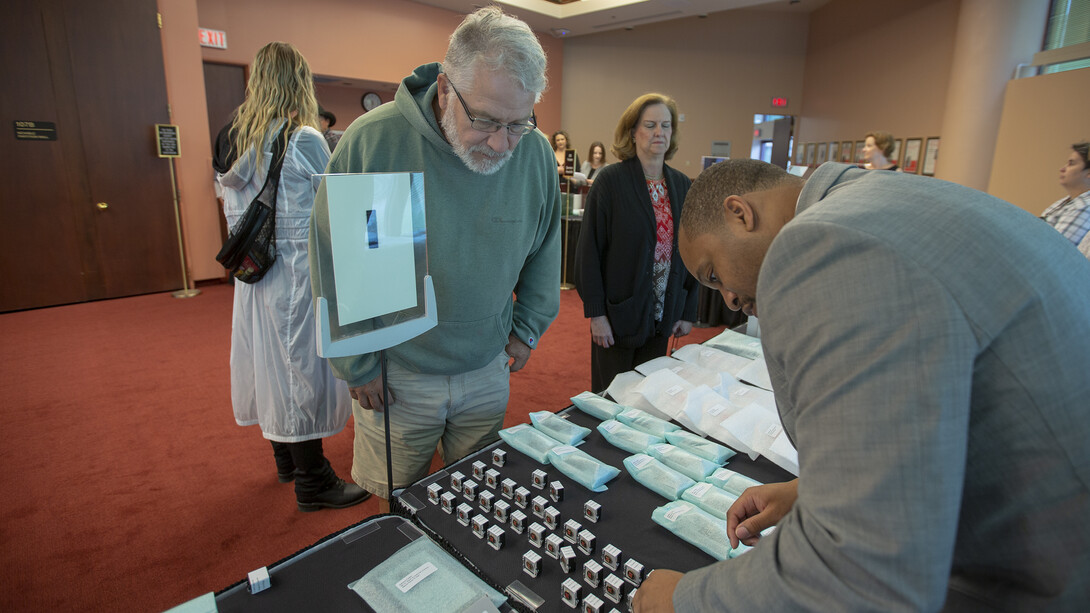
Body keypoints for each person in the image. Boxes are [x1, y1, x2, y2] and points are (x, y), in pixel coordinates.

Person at [632, 159, 1090, 611]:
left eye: (714, 274)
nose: (729, 297)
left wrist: (684, 601)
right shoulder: (879, 199)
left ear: (740, 212)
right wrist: (813, 492)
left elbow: (863, 572)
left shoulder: (821, 242)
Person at [308, 7, 560, 509]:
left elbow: (545, 248)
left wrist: (528, 326)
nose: (500, 143)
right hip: (395, 373)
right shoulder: (373, 142)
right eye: (486, 120)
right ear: (446, 89)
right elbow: (333, 260)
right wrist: (356, 364)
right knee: (401, 510)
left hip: (488, 364)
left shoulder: (532, 154)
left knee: (476, 501)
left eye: (518, 123)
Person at [216, 42, 367, 512]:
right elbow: (332, 206)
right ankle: (313, 480)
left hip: (252, 272)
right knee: (300, 369)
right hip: (295, 273)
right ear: (299, 81)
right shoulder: (301, 137)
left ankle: (284, 458)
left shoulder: (230, 137)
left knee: (267, 363)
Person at [575, 93, 699, 393]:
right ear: (633, 132)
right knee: (611, 400)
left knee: (648, 400)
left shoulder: (682, 185)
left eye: (666, 125)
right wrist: (596, 315)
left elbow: (692, 252)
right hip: (618, 318)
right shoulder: (610, 182)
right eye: (651, 125)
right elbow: (589, 252)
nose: (660, 132)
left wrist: (687, 310)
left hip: (663, 317)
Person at [1040, 141, 1090, 248]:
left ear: (1088, 174)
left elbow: (1054, 249)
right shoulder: (1066, 202)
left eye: (1071, 163)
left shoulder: (1083, 207)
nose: (1062, 169)